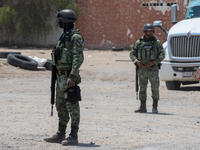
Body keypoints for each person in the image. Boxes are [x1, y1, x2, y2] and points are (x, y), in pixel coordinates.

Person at [44, 9, 84, 146]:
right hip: (60, 77)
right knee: (60, 106)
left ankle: (73, 135)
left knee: (72, 106)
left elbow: (78, 58)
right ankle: (61, 134)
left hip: (68, 78)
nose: (59, 22)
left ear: (65, 20)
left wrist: (72, 76)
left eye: (60, 20)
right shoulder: (63, 37)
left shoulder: (75, 37)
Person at [130, 23, 165, 113]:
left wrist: (154, 62)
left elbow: (162, 54)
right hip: (142, 69)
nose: (150, 32)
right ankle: (142, 107)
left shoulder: (157, 42)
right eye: (148, 31)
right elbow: (132, 53)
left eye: (152, 31)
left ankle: (155, 107)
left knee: (155, 88)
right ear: (144, 32)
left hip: (153, 69)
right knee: (142, 88)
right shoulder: (139, 42)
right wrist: (137, 62)